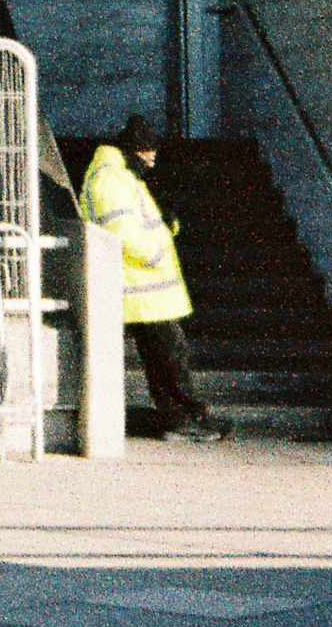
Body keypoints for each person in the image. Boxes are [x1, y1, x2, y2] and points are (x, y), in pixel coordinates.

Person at [79, 114, 226, 441]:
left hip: (144, 287)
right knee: (171, 355)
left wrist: (165, 227)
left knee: (164, 357)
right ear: (131, 150)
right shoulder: (112, 178)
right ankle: (188, 418)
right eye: (146, 152)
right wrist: (156, 253)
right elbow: (122, 229)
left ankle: (181, 417)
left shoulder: (119, 175)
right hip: (141, 285)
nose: (151, 158)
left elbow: (134, 222)